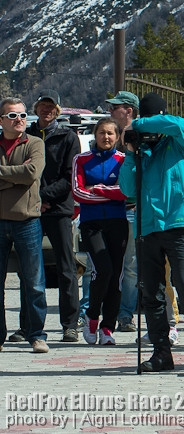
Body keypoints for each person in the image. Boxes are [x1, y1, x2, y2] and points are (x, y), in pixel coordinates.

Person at [118, 93, 184, 375]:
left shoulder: (180, 140)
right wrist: (132, 154)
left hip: (179, 224)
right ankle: (162, 353)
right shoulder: (143, 153)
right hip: (148, 228)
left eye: (151, 125)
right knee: (152, 293)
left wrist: (140, 122)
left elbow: (179, 123)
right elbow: (127, 189)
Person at [25, 90, 80, 343]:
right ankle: (28, 326)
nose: (46, 110)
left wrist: (44, 198)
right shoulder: (26, 136)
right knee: (30, 270)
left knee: (66, 268)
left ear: (58, 110)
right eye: (42, 105)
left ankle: (70, 324)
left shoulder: (68, 137)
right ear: (36, 108)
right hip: (29, 210)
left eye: (51, 107)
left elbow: (70, 176)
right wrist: (36, 201)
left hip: (58, 210)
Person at [72, 118, 127, 346]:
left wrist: (98, 189)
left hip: (118, 222)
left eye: (111, 134)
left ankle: (107, 328)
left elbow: (127, 191)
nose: (106, 137)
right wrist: (110, 194)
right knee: (102, 269)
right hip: (92, 223)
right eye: (102, 133)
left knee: (116, 276)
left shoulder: (123, 160)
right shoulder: (82, 159)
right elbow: (78, 192)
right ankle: (92, 316)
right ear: (95, 135)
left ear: (117, 137)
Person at [0, 97, 49, 353]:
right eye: (12, 116)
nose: (19, 119)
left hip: (28, 221)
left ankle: (37, 334)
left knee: (34, 283)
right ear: (1, 121)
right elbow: (23, 175)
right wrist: (16, 178)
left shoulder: (35, 143)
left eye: (22, 115)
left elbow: (31, 174)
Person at [106, 90, 140, 333]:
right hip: (107, 209)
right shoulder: (109, 135)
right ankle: (92, 312)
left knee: (129, 265)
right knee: (99, 264)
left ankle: (126, 315)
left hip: (131, 208)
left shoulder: (139, 134)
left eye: (114, 108)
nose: (110, 111)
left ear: (128, 110)